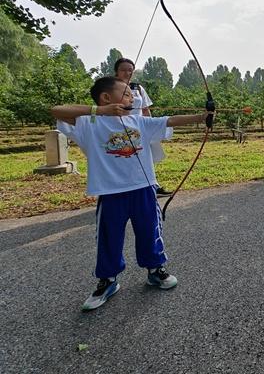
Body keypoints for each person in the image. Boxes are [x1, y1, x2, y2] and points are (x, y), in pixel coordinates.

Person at [51, 76, 212, 310]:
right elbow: (55, 110)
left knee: (150, 231)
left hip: (143, 190)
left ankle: (155, 270)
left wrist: (202, 117)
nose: (132, 97)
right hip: (110, 192)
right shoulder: (89, 123)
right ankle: (108, 280)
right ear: (107, 97)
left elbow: (169, 120)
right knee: (109, 238)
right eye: (126, 93)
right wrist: (101, 110)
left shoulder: (139, 122)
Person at [114, 57, 172, 197]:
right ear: (116, 72)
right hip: (119, 129)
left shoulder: (137, 88)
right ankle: (122, 188)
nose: (127, 73)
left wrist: (153, 127)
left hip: (140, 128)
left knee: (147, 157)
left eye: (130, 70)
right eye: (123, 70)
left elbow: (145, 109)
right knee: (125, 158)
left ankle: (153, 186)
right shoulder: (111, 88)